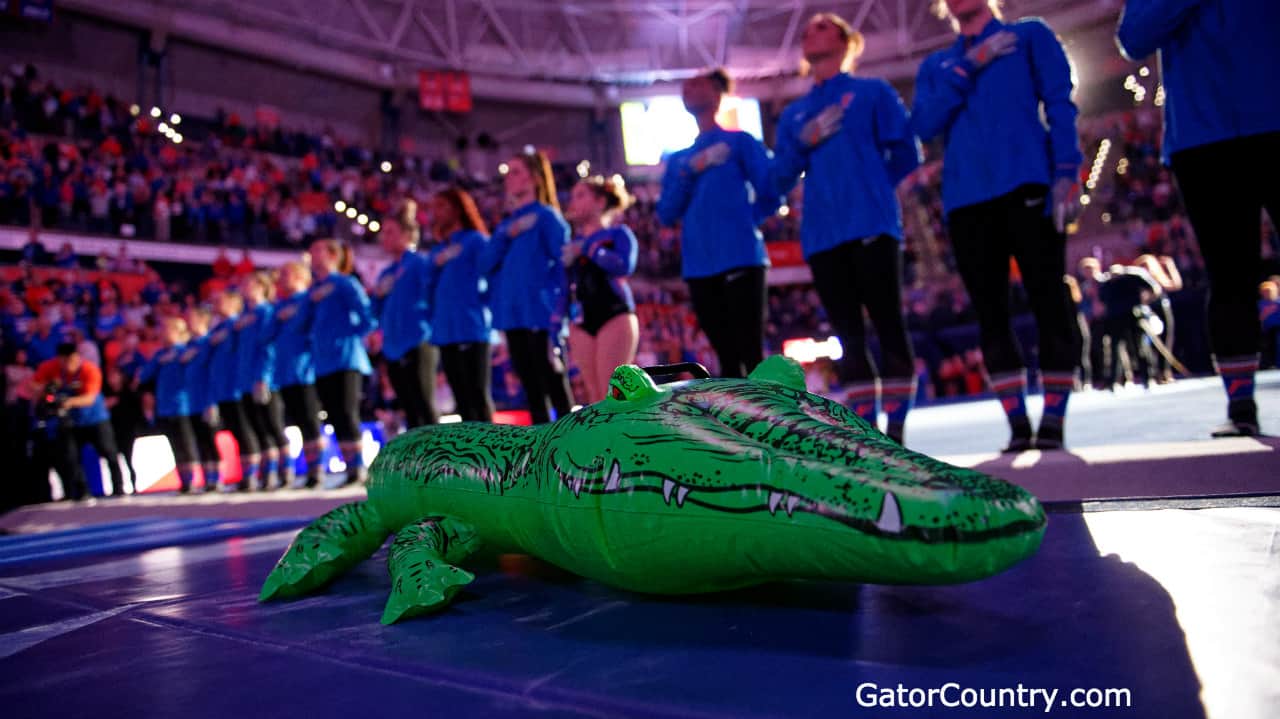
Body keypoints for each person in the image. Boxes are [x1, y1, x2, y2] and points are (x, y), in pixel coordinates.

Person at [912, 0, 1082, 450]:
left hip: (1029, 184)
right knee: (990, 315)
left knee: (1050, 302)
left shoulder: (1030, 36)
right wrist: (969, 66)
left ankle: (1055, 419)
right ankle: (1017, 426)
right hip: (966, 201)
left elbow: (1060, 102)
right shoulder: (938, 63)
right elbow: (925, 124)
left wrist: (1067, 169)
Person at [1117, 0, 1280, 436]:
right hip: (1202, 140)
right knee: (1229, 275)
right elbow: (1133, 38)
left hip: (1272, 118)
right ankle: (1240, 405)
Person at [773, 13, 923, 445]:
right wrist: (804, 141)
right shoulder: (794, 115)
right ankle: (867, 433)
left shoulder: (873, 92)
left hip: (873, 225)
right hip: (822, 236)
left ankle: (896, 430)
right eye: (803, 32)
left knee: (888, 324)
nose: (808, 35)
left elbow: (906, 152)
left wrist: (873, 187)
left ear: (844, 41)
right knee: (847, 335)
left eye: (819, 28)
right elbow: (781, 177)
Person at [656, 68, 780, 378]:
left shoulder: (741, 143)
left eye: (697, 84)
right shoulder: (679, 160)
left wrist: (747, 221)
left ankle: (762, 420)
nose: (689, 89)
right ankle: (737, 422)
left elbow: (771, 190)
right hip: (699, 266)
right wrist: (689, 171)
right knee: (724, 356)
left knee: (751, 351)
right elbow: (666, 213)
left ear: (717, 93)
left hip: (742, 257)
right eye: (685, 86)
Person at [481, 149, 574, 424]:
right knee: (531, 391)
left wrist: (560, 311)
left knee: (554, 384)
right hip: (512, 317)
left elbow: (563, 261)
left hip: (542, 314)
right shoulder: (505, 225)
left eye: (516, 172)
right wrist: (505, 234)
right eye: (508, 173)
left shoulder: (547, 217)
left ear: (534, 179)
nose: (509, 179)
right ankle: (544, 457)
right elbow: (485, 264)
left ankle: (576, 451)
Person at [563, 175, 640, 404]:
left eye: (580, 195)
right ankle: (602, 440)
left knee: (612, 391)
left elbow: (624, 266)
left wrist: (589, 249)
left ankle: (622, 439)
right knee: (593, 395)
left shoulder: (618, 234)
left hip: (614, 314)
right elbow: (565, 287)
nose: (572, 202)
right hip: (581, 321)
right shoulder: (571, 244)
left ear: (600, 201)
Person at [309, 238, 375, 486]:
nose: (312, 255)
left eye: (318, 250)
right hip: (322, 363)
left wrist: (349, 337)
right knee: (334, 416)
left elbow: (367, 316)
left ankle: (358, 469)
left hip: (346, 360)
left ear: (333, 255)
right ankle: (349, 468)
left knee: (347, 413)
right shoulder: (313, 291)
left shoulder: (345, 283)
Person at [426, 187, 495, 422]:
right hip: (445, 333)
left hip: (472, 328)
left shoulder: (475, 241)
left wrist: (481, 305)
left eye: (442, 206)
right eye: (434, 208)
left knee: (477, 396)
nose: (436, 213)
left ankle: (492, 457)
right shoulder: (436, 251)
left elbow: (491, 273)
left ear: (458, 209)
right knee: (462, 400)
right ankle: (472, 457)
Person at [372, 199, 438, 428]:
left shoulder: (420, 264)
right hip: (392, 348)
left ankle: (440, 460)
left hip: (418, 342)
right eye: (383, 232)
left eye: (390, 232)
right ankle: (419, 461)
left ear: (407, 234)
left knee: (424, 405)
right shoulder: (385, 273)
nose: (384, 237)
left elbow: (433, 297)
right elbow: (376, 310)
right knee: (408, 408)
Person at [31, 342, 125, 499]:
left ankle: (119, 489)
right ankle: (82, 492)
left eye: (73, 361)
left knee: (109, 452)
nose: (69, 365)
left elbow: (89, 399)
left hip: (95, 418)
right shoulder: (50, 367)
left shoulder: (89, 369)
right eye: (65, 362)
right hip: (71, 421)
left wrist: (67, 402)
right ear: (59, 360)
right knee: (72, 457)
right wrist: (46, 388)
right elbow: (33, 386)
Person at [267, 261, 325, 487]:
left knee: (310, 421)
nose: (281, 278)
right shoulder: (279, 307)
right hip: (284, 373)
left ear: (301, 276)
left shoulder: (308, 300)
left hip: (305, 370)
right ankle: (308, 471)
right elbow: (266, 336)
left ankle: (317, 471)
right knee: (299, 423)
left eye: (286, 273)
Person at [236, 272, 290, 490]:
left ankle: (285, 472)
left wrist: (263, 377)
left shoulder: (267, 312)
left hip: (264, 380)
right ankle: (266, 474)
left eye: (249, 284)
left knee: (273, 426)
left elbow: (268, 348)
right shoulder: (243, 318)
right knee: (258, 428)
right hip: (245, 381)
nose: (243, 288)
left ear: (261, 287)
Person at [137, 317, 201, 493]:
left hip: (182, 404)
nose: (163, 334)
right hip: (164, 406)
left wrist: (179, 358)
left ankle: (193, 480)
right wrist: (159, 361)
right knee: (174, 444)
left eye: (168, 330)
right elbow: (144, 376)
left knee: (186, 443)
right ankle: (183, 481)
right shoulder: (159, 355)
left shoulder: (185, 350)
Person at [208, 290, 260, 491]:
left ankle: (254, 474)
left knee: (245, 430)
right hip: (223, 388)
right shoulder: (217, 329)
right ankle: (245, 474)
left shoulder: (237, 325)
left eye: (220, 300)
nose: (215, 304)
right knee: (236, 433)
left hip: (237, 386)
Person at [185, 307, 224, 492]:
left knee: (209, 440)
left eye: (192, 319)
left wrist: (211, 401)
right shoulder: (188, 346)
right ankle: (206, 478)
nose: (188, 323)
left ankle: (217, 477)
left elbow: (212, 374)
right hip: (191, 402)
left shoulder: (209, 343)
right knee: (200, 441)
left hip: (207, 398)